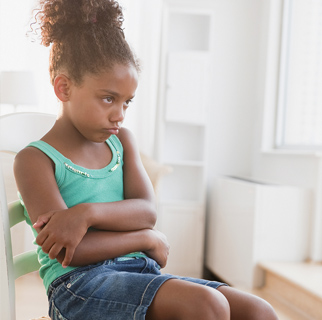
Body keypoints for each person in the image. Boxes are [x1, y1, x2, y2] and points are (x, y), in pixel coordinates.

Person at [14, 0, 279, 319]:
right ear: (64, 87)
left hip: (140, 272)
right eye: (108, 98)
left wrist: (85, 214)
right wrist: (144, 239)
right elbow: (72, 253)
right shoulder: (35, 160)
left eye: (127, 102)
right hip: (79, 286)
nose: (119, 115)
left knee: (258, 310)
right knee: (207, 304)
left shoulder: (121, 141)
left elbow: (146, 211)